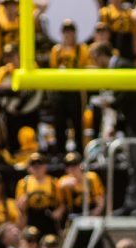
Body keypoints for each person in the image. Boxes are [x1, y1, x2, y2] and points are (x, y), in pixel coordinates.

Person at [89, 43, 136, 216]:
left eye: (94, 58)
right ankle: (133, 202)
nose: (95, 63)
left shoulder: (122, 66)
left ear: (101, 55)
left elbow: (129, 94)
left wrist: (111, 103)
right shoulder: (118, 67)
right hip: (133, 124)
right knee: (134, 164)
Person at [49, 20, 90, 153]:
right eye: (65, 31)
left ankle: (79, 151)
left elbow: (86, 66)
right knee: (60, 124)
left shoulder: (81, 49)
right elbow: (53, 68)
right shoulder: (56, 50)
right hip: (60, 91)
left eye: (70, 31)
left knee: (77, 123)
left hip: (75, 90)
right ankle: (60, 152)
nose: (68, 35)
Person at [15, 153, 60, 236]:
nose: (37, 168)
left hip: (48, 215)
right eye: (33, 166)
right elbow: (19, 206)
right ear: (28, 168)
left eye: (39, 165)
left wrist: (58, 212)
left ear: (45, 166)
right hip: (31, 216)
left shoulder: (53, 182)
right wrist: (22, 205)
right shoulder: (24, 183)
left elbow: (61, 202)